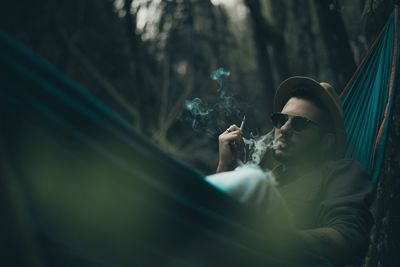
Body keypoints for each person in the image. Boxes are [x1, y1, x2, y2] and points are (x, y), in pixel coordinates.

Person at [209, 76, 374, 266]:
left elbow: (350, 238)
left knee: (252, 181)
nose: (284, 129)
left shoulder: (341, 171)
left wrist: (274, 241)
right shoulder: (270, 174)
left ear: (326, 142)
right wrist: (224, 165)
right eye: (280, 119)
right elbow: (217, 221)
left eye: (299, 124)